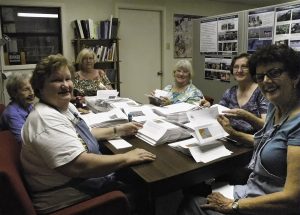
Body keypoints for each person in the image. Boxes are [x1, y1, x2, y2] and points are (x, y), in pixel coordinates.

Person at [20, 54, 156, 214]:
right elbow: (79, 166)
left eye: (68, 79)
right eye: (57, 80)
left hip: (83, 181)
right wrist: (128, 157)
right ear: (40, 88)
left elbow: (82, 136)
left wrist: (118, 129)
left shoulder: (64, 106)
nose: (65, 85)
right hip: (70, 198)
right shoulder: (45, 120)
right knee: (145, 188)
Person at [178, 44, 300, 215]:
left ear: (295, 76)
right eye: (260, 76)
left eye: (274, 73)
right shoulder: (275, 107)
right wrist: (233, 133)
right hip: (254, 188)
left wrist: (233, 205)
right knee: (196, 191)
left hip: (269, 204)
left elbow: (293, 199)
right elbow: (264, 140)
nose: (265, 81)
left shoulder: (297, 124)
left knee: (191, 203)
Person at [218, 53, 269, 145]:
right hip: (230, 139)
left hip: (253, 144)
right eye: (236, 67)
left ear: (252, 70)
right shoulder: (230, 92)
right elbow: (219, 114)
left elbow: (267, 126)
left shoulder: (261, 92)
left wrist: (246, 116)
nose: (239, 70)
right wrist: (208, 108)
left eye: (244, 67)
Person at [0, 73, 35, 143]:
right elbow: (23, 141)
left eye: (33, 87)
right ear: (14, 93)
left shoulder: (28, 105)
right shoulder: (12, 114)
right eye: (26, 89)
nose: (32, 93)